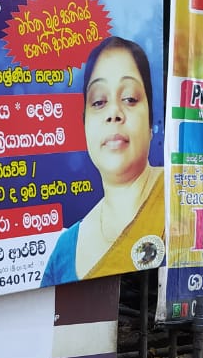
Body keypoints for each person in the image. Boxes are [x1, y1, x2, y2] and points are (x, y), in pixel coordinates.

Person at [42, 36, 164, 285]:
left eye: (130, 98)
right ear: (85, 125)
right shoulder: (66, 249)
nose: (113, 114)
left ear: (151, 121)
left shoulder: (185, 200)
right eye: (98, 102)